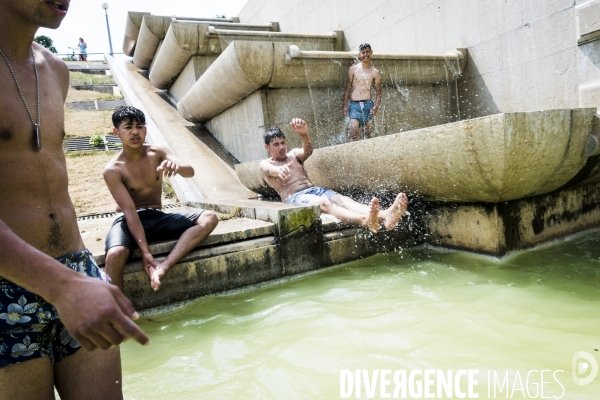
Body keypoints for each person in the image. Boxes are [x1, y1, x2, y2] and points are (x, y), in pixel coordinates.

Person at [0, 1, 150, 398]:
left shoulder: (55, 70)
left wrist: (79, 273)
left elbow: (46, 179)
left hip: (75, 270)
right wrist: (61, 286)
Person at [103, 106, 219, 292]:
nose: (135, 131)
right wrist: (145, 252)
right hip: (127, 220)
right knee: (115, 254)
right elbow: (130, 211)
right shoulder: (113, 169)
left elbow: (190, 171)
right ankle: (117, 311)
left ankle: (164, 266)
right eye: (128, 127)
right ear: (116, 132)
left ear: (145, 130)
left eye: (139, 126)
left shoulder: (158, 152)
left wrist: (177, 167)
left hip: (156, 217)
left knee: (210, 218)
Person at [260, 118, 408, 233]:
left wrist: (304, 134)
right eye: (276, 145)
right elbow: (268, 170)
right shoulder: (266, 163)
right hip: (295, 198)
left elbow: (308, 151)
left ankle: (386, 215)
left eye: (283, 143)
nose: (281, 147)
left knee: (345, 201)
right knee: (324, 203)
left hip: (315, 189)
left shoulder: (293, 155)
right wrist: (278, 171)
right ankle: (364, 220)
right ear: (267, 147)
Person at [343, 43, 382, 141]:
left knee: (367, 135)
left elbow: (379, 92)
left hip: (368, 104)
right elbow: (347, 88)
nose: (365, 54)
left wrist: (376, 107)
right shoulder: (353, 69)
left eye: (367, 52)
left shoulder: (375, 72)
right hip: (354, 105)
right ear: (359, 54)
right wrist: (344, 106)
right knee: (354, 133)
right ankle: (352, 154)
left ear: (371, 52)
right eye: (363, 52)